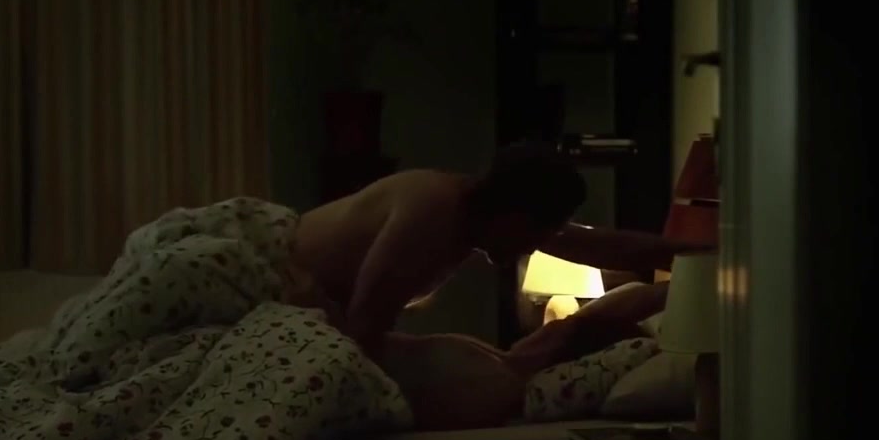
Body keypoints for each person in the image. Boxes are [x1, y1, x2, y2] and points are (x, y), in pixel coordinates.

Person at [291, 141, 700, 359]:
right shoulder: (433, 212)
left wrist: (700, 253)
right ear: (515, 214)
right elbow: (362, 330)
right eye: (535, 234)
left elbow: (601, 245)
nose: (531, 249)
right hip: (268, 275)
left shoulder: (480, 213)